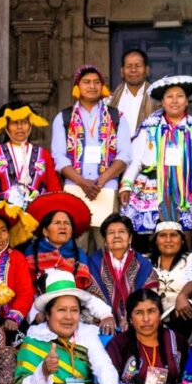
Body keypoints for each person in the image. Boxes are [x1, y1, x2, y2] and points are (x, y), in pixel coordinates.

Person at [119, 75, 192, 235]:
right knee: (156, 230)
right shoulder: (149, 127)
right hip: (153, 184)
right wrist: (126, 185)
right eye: (169, 97)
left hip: (188, 186)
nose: (175, 101)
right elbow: (135, 160)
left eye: (180, 96)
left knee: (185, 229)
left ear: (187, 101)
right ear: (162, 102)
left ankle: (184, 259)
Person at [51, 64, 132, 248]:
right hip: (74, 189)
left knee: (108, 244)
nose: (92, 86)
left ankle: (106, 278)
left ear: (102, 87)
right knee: (77, 245)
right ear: (77, 86)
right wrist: (82, 182)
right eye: (86, 82)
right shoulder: (64, 117)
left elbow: (125, 154)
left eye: (97, 82)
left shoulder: (116, 116)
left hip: (107, 189)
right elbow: (58, 156)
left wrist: (101, 181)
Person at [23, 191, 116, 332]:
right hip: (40, 314)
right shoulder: (32, 253)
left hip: (73, 314)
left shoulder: (80, 256)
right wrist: (35, 314)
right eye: (57, 223)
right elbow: (26, 290)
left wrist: (105, 314)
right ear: (45, 231)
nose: (63, 226)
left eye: (67, 223)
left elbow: (85, 294)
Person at [0, 101, 62, 207]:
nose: (20, 127)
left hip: (36, 217)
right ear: (6, 126)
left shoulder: (44, 155)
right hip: (3, 217)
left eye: (24, 122)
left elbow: (54, 189)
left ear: (30, 125)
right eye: (14, 123)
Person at [88, 213, 159, 328]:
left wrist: (132, 315)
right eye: (111, 233)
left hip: (138, 322)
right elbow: (88, 296)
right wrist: (105, 314)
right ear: (105, 240)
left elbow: (150, 294)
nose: (116, 236)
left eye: (122, 232)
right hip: (99, 322)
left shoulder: (143, 264)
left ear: (130, 238)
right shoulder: (93, 263)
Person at [150, 221, 192, 338]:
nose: (168, 240)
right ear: (156, 240)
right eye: (162, 235)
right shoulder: (146, 262)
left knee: (184, 311)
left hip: (179, 316)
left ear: (182, 240)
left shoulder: (191, 259)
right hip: (152, 314)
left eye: (173, 235)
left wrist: (183, 296)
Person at [109, 48, 158, 137]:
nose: (133, 70)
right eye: (129, 66)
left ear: (147, 70)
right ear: (122, 71)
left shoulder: (157, 98)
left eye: (138, 66)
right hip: (118, 150)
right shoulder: (111, 100)